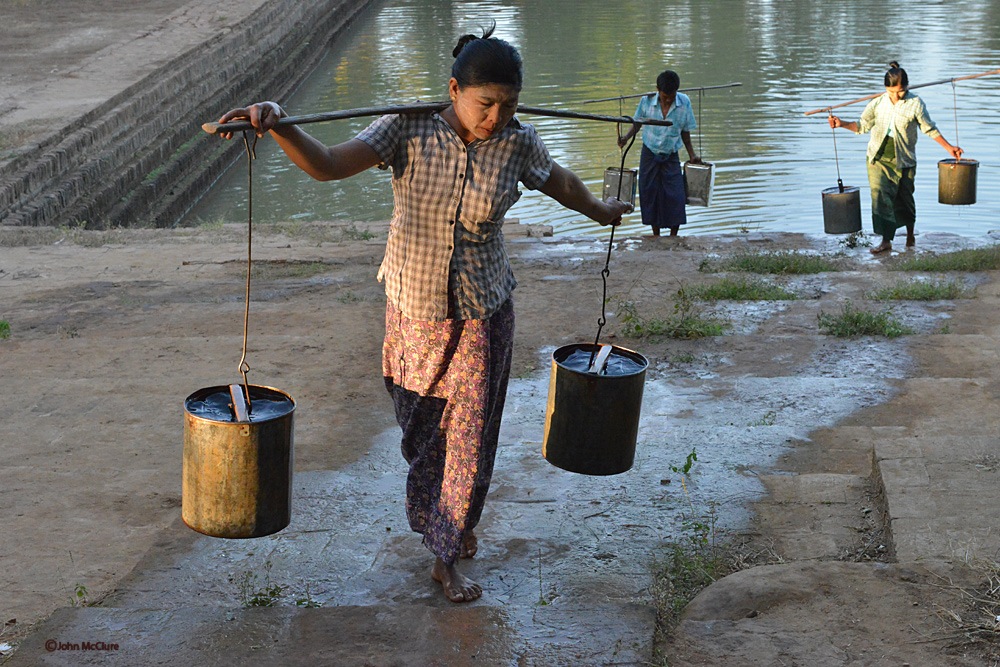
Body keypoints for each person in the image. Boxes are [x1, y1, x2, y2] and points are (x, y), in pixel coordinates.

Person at [216, 24, 631, 603]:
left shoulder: (518, 143)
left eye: (508, 106)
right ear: (455, 88)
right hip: (412, 312)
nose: (496, 118)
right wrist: (281, 122)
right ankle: (444, 523)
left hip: (482, 312)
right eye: (486, 104)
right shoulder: (406, 128)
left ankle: (445, 548)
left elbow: (559, 181)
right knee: (423, 436)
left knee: (467, 438)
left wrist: (600, 209)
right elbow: (330, 164)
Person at [829, 61, 962, 254]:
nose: (895, 96)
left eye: (899, 92)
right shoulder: (877, 103)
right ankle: (886, 241)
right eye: (891, 92)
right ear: (885, 89)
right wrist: (841, 124)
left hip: (904, 158)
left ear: (906, 87)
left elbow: (929, 129)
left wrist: (949, 148)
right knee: (880, 197)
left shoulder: (915, 104)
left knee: (905, 198)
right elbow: (861, 126)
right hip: (878, 157)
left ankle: (910, 234)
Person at [617, 69, 701, 237]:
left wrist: (692, 154)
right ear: (657, 90)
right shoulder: (646, 102)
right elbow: (637, 123)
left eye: (671, 96)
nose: (668, 100)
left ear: (677, 90)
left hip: (671, 154)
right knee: (650, 193)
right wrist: (625, 138)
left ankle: (673, 236)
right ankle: (655, 235)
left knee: (676, 195)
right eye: (664, 97)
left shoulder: (684, 102)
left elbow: (685, 131)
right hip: (649, 152)